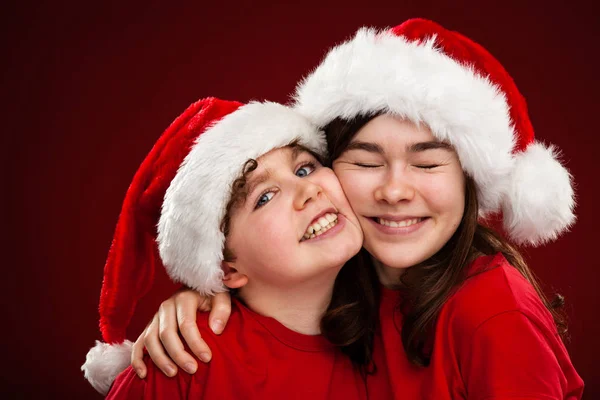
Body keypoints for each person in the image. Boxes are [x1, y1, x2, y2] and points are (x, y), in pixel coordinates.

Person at [132, 19, 584, 398]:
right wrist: (200, 293)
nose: (394, 191)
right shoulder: (350, 288)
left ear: (469, 181)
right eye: (366, 163)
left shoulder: (493, 313)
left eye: (427, 163)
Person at [81, 97, 388, 399]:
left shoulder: (388, 328)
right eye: (264, 197)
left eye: (304, 169)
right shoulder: (185, 361)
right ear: (225, 267)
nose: (308, 190)